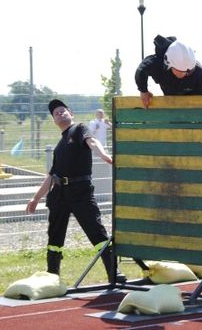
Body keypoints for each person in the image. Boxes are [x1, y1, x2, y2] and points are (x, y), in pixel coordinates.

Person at [25, 99, 126, 282]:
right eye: (56, 113)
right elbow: (51, 175)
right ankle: (52, 275)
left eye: (63, 110)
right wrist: (35, 198)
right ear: (54, 120)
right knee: (55, 235)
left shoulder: (79, 129)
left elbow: (92, 141)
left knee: (96, 231)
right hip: (59, 194)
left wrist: (104, 155)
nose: (60, 114)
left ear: (71, 114)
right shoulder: (59, 146)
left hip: (80, 191)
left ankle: (113, 273)